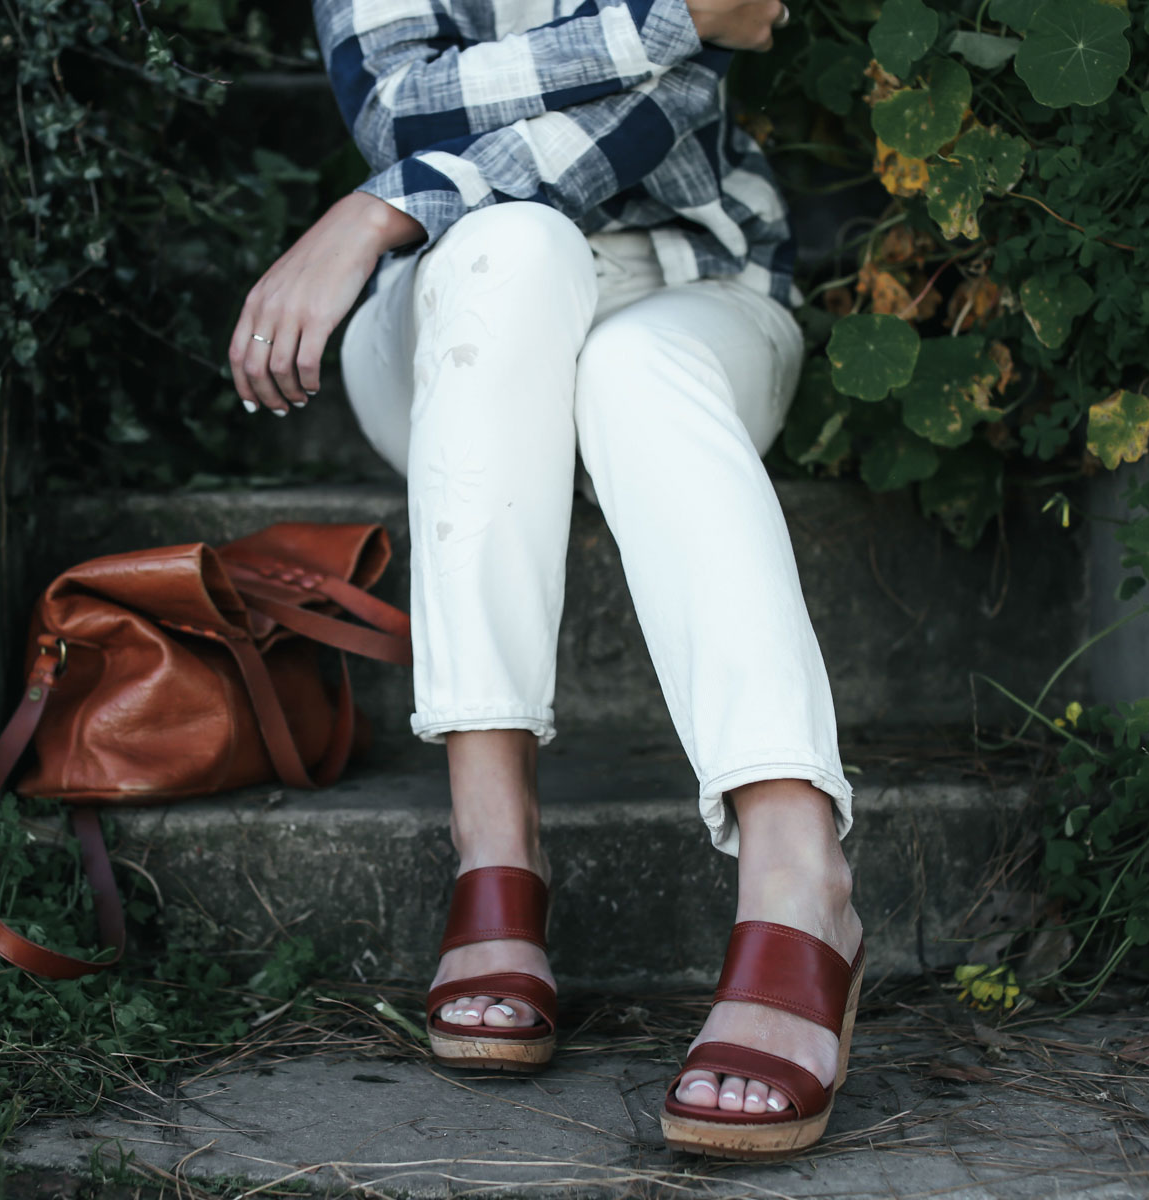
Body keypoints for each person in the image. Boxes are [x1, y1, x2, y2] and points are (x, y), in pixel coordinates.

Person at [226, 0, 864, 1160]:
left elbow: (664, 108)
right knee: (509, 243)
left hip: (692, 285)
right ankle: (496, 832)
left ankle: (797, 870)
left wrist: (380, 207)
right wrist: (663, 19)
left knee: (631, 373)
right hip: (451, 310)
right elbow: (400, 103)